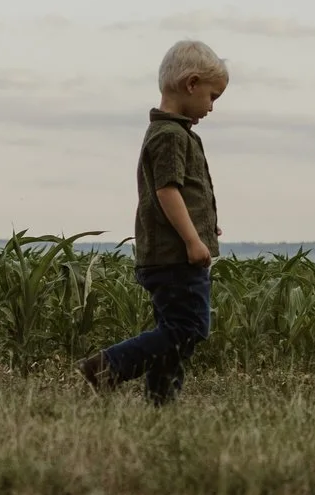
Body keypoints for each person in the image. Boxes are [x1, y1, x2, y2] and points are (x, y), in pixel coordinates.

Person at [80, 40, 227, 405]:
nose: (211, 107)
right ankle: (109, 365)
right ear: (191, 84)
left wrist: (205, 226)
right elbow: (167, 192)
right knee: (189, 327)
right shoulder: (170, 136)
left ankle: (160, 401)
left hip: (172, 252)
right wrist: (193, 240)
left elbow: (182, 195)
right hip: (174, 256)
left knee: (176, 330)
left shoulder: (175, 134)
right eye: (212, 96)